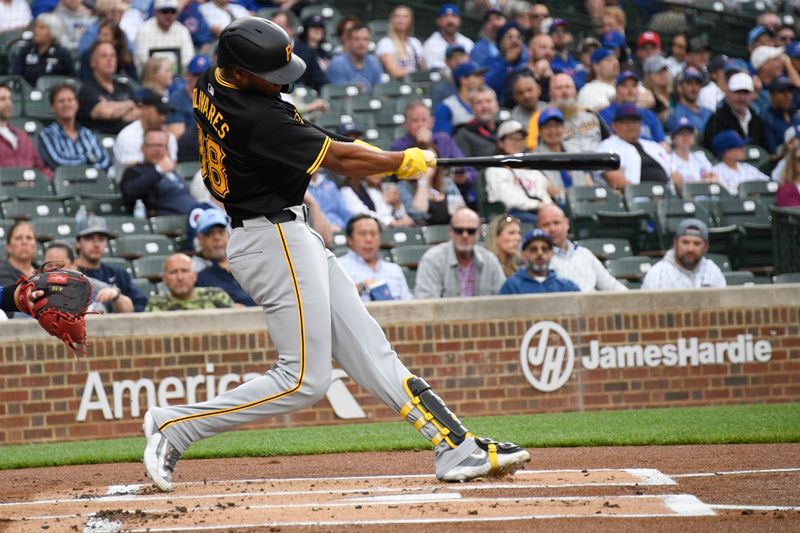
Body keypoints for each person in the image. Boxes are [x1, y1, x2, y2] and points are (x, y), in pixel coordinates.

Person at [142, 17, 529, 493]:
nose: (282, 84)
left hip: (284, 232)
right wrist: (401, 162)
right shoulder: (257, 118)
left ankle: (456, 445)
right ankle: (173, 425)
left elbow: (311, 132)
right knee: (303, 379)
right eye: (271, 75)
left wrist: (382, 154)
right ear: (240, 72)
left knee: (372, 352)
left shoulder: (213, 80)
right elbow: (339, 160)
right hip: (271, 238)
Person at [393, 100, 477, 210]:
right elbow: (402, 177)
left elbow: (470, 171)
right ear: (406, 124)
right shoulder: (399, 146)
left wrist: (464, 177)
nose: (420, 125)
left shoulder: (444, 140)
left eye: (424, 120)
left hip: (444, 188)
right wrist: (424, 143)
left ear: (431, 122)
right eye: (415, 121)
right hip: (412, 191)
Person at [415, 207, 506, 299]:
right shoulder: (432, 259)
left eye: (471, 231)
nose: (465, 235)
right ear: (450, 232)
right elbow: (427, 304)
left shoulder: (490, 260)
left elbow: (502, 301)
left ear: (478, 233)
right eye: (459, 231)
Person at [537, 205, 627, 292]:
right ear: (538, 229)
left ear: (567, 224)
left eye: (556, 223)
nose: (552, 229)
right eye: (546, 225)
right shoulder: (538, 259)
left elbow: (611, 286)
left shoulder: (584, 254)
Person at [74, 215, 148, 312]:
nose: (96, 244)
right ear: (78, 243)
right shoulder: (70, 273)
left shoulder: (118, 273)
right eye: (89, 238)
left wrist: (118, 300)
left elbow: (139, 305)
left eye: (101, 239)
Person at [485, 119, 552, 223]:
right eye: (512, 139)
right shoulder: (495, 168)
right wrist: (538, 205)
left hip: (537, 212)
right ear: (501, 143)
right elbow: (508, 200)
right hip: (509, 216)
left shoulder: (533, 169)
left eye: (521, 139)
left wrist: (549, 207)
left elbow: (543, 194)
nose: (517, 143)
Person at [43, 240, 134, 313]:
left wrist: (117, 296)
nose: (54, 271)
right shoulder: (35, 290)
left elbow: (128, 310)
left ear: (73, 266)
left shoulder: (93, 286)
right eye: (49, 266)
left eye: (59, 266)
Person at [120, 128, 196, 216]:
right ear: (143, 148)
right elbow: (129, 192)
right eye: (152, 145)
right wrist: (158, 170)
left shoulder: (172, 172)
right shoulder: (135, 171)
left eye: (161, 145)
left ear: (167, 149)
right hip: (167, 222)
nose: (157, 150)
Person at [596, 104, 673, 190]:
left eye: (635, 121)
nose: (631, 125)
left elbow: (673, 172)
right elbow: (614, 179)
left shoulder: (653, 146)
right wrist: (643, 192)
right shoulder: (607, 146)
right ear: (614, 125)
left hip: (666, 195)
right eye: (626, 121)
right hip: (636, 198)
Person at [338, 214, 413, 301]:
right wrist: (359, 288)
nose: (369, 239)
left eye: (373, 233)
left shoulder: (394, 270)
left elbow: (410, 305)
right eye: (362, 233)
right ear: (350, 240)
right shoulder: (339, 267)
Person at [38, 82, 112, 170]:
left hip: (92, 182)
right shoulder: (47, 135)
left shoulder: (88, 134)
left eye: (70, 100)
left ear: (77, 104)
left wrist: (81, 162)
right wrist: (89, 159)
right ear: (52, 107)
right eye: (61, 101)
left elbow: (104, 160)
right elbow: (57, 161)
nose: (66, 104)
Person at [642, 219, 726, 290]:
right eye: (685, 242)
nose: (690, 249)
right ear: (675, 243)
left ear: (705, 247)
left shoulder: (712, 270)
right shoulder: (658, 273)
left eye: (696, 244)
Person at [77, 41, 140, 135]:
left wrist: (113, 108)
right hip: (100, 140)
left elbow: (140, 112)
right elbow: (105, 113)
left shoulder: (124, 85)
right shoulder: (87, 89)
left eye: (113, 55)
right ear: (93, 62)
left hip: (128, 137)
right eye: (104, 56)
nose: (110, 59)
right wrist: (129, 104)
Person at [113, 91, 178, 178]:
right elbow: (133, 170)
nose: (163, 118)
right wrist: (160, 165)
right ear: (145, 109)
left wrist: (166, 143)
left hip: (161, 185)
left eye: (165, 113)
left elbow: (171, 165)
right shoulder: (128, 135)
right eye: (159, 112)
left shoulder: (168, 135)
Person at [535, 107, 591, 203]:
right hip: (555, 205)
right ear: (540, 131)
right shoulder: (535, 157)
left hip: (583, 202)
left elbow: (588, 181)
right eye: (548, 127)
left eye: (557, 126)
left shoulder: (575, 151)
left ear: (563, 128)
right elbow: (549, 190)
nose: (553, 130)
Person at [499, 229, 580, 295]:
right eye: (533, 249)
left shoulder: (567, 288)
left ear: (551, 254)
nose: (540, 253)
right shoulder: (511, 287)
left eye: (544, 249)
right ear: (523, 255)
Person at [703, 72, 768, 152]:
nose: (741, 97)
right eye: (737, 92)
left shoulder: (757, 120)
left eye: (745, 93)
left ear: (751, 95)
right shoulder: (716, 120)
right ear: (727, 93)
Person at [146, 253, 234, 311]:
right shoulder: (156, 303)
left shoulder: (216, 296)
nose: (180, 277)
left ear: (194, 276)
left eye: (184, 271)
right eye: (173, 272)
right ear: (164, 279)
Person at [0, 83, 54, 177]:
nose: (8, 103)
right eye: (2, 99)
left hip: (32, 189)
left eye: (10, 99)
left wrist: (55, 181)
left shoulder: (22, 136)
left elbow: (40, 168)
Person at [599, 71, 666, 144]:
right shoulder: (605, 114)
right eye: (625, 85)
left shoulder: (649, 114)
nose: (630, 90)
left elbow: (662, 142)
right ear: (616, 89)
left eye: (634, 86)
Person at [548, 73, 608, 153]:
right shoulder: (544, 119)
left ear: (575, 91)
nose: (565, 92)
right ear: (550, 93)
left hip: (593, 162)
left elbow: (609, 141)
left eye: (568, 87)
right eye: (559, 88)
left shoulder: (590, 115)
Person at [11, 13, 74, 86]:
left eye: (42, 28)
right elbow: (16, 76)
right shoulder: (26, 51)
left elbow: (71, 79)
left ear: (52, 32)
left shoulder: (62, 53)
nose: (36, 30)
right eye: (36, 27)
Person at [341, 173, 415, 228]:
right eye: (375, 170)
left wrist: (397, 205)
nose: (380, 174)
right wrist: (393, 222)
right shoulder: (348, 191)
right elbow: (363, 215)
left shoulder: (384, 188)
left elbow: (405, 219)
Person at [709, 130, 770, 195]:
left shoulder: (748, 168)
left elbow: (767, 182)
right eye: (739, 148)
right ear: (727, 153)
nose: (743, 150)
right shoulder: (716, 172)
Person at [326, 23, 383, 92]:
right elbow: (340, 95)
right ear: (348, 41)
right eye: (356, 39)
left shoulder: (374, 62)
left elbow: (379, 92)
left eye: (365, 39)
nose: (361, 43)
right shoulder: (338, 63)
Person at [668, 117, 719, 193]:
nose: (686, 137)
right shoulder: (668, 158)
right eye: (681, 134)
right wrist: (703, 182)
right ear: (673, 138)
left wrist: (693, 183)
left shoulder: (700, 156)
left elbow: (715, 178)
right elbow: (679, 184)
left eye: (689, 133)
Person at [166, 54, 209, 139]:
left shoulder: (218, 96)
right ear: (187, 75)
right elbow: (177, 136)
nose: (201, 78)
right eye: (197, 75)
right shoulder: (177, 98)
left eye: (205, 75)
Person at [376, 4, 425, 80]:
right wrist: (417, 74)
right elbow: (394, 72)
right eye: (397, 16)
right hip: (395, 86)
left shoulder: (415, 42)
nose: (401, 19)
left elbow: (424, 68)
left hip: (416, 84)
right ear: (392, 20)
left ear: (411, 21)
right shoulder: (385, 43)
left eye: (405, 16)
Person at [484, 21, 528, 105]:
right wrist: (506, 63)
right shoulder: (492, 62)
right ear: (500, 42)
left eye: (519, 37)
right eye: (509, 37)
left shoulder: (527, 62)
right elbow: (488, 85)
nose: (515, 41)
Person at [422, 3, 474, 74]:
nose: (450, 20)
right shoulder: (430, 45)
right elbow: (434, 71)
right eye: (445, 16)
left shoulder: (468, 43)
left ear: (460, 21)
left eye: (454, 16)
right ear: (438, 21)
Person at [453, 86, 500, 158]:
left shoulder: (506, 128)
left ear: (497, 104)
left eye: (488, 101)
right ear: (472, 108)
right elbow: (463, 166)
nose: (485, 106)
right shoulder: (464, 133)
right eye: (479, 102)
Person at [665, 67, 712, 137]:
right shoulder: (675, 114)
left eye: (697, 84)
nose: (694, 88)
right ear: (679, 87)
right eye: (689, 83)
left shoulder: (708, 112)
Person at [306, 169, 352, 234]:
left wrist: (352, 228)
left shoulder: (330, 184)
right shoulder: (299, 188)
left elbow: (343, 211)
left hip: (339, 228)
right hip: (314, 232)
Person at [763, 76, 800, 154]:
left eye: (790, 91)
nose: (788, 96)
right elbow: (773, 152)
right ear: (772, 95)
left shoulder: (796, 116)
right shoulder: (767, 120)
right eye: (782, 92)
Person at [576, 47, 620, 111]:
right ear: (595, 66)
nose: (615, 63)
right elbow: (602, 116)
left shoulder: (627, 85)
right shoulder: (589, 90)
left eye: (615, 59)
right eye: (609, 60)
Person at [0, 221, 37, 290]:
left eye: (29, 238)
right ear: (8, 246)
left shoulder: (41, 271)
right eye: (18, 238)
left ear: (35, 245)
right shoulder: (1, 271)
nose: (24, 242)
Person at [483, 213, 521, 278]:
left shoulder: (519, 269)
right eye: (511, 233)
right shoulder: (485, 269)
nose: (518, 238)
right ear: (495, 237)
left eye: (519, 233)